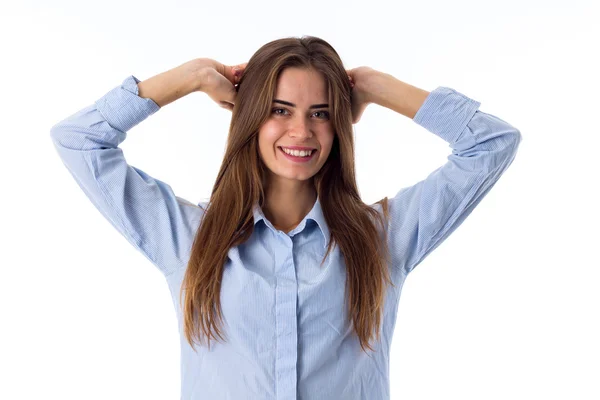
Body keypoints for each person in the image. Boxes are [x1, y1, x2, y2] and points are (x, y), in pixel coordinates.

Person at [50, 36, 521, 400]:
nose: (302, 131)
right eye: (280, 110)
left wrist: (376, 87)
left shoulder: (385, 237)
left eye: (321, 112)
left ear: (339, 124)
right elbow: (79, 140)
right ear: (251, 116)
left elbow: (492, 144)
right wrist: (189, 76)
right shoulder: (188, 239)